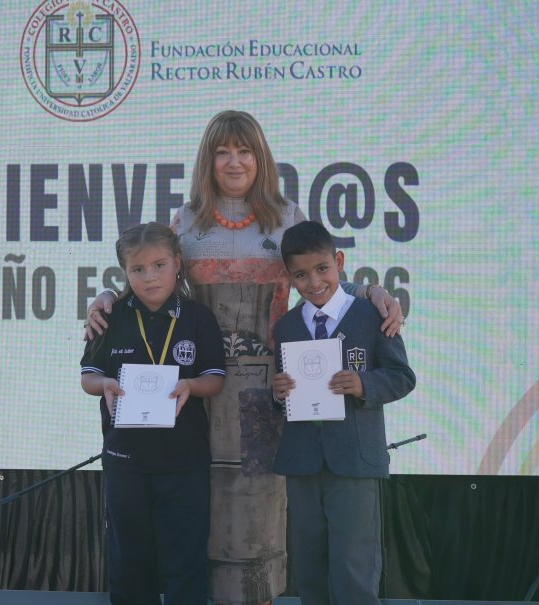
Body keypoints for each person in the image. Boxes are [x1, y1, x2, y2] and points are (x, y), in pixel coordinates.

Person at [85, 110, 404, 605]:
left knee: (257, 510)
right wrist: (108, 297)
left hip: (270, 392)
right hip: (198, 392)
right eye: (222, 152)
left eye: (245, 151)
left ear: (261, 157)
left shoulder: (288, 216)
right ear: (207, 160)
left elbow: (319, 277)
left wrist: (372, 291)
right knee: (203, 508)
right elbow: (153, 280)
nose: (234, 162)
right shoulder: (186, 221)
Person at [80, 222, 226, 605]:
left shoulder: (197, 317)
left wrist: (191, 385)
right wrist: (105, 384)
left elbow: (215, 379)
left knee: (186, 561)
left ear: (177, 263)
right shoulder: (109, 317)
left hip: (184, 462)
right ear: (124, 272)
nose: (150, 277)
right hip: (126, 461)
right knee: (130, 561)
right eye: (138, 269)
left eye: (159, 265)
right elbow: (88, 377)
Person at [271, 220, 416, 605]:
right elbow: (283, 392)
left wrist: (364, 384)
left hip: (354, 461)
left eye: (322, 269)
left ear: (338, 262)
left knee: (354, 568)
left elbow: (402, 377)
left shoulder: (372, 314)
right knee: (309, 568)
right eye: (301, 275)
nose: (314, 281)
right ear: (289, 278)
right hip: (303, 462)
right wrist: (278, 393)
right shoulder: (286, 327)